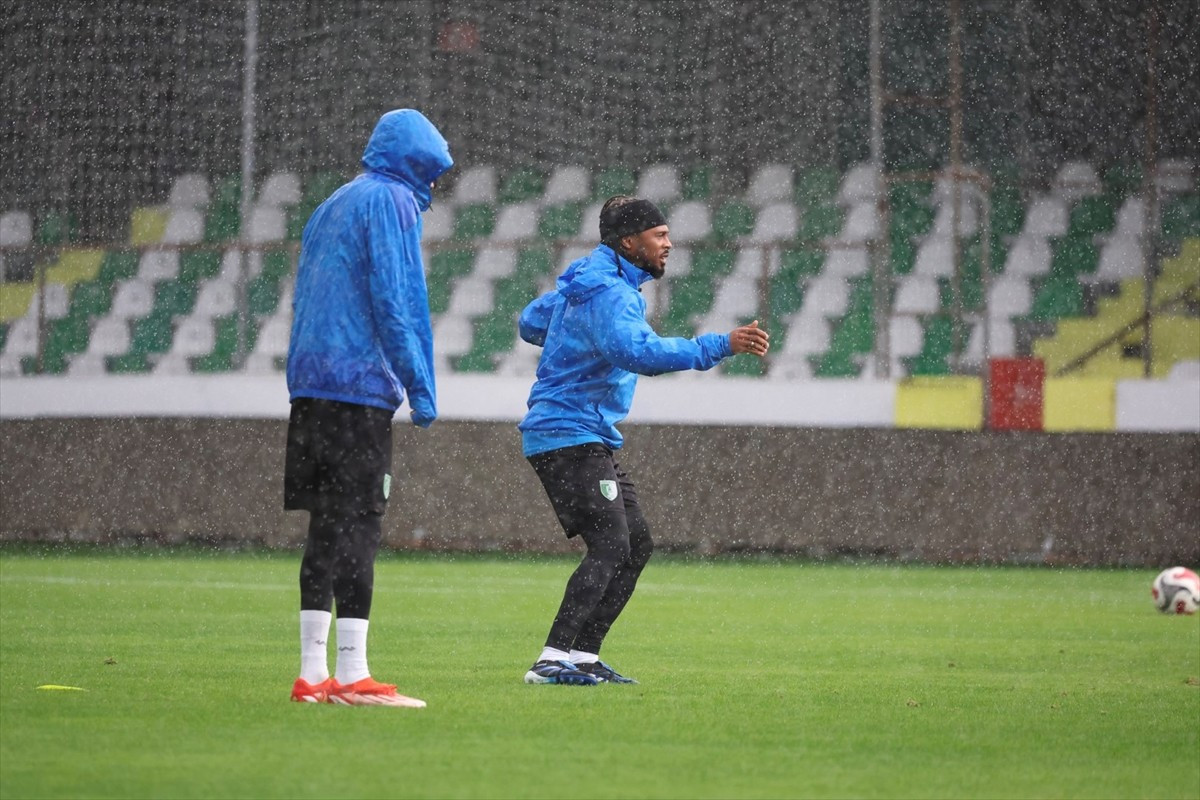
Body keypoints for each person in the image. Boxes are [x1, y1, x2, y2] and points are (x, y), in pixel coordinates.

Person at [517, 195, 770, 685]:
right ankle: (550, 658)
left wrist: (571, 330)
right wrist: (720, 344)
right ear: (630, 242)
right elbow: (638, 353)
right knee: (612, 543)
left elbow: (530, 322)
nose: (669, 245)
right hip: (568, 433)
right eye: (660, 236)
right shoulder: (610, 292)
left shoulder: (586, 284)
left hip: (577, 433)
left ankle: (583, 657)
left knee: (636, 544)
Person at [284, 109, 452, 707]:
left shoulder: (333, 202)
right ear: (417, 165)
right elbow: (397, 295)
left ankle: (312, 673)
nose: (431, 188)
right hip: (358, 389)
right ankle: (354, 676)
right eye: (432, 175)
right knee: (361, 522)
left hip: (311, 386)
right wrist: (420, 384)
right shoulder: (392, 203)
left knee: (326, 526)